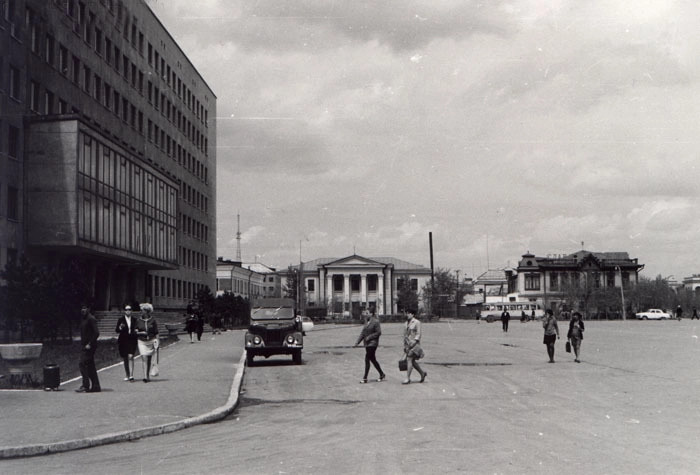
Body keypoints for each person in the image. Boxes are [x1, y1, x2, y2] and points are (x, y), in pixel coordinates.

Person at [353, 309, 386, 383]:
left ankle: (365, 378)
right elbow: (363, 333)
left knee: (367, 358)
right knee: (373, 359)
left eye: (367, 313)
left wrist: (369, 337)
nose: (365, 314)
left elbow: (378, 332)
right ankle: (381, 374)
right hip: (367, 344)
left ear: (371, 314)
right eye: (365, 313)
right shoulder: (366, 321)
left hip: (373, 343)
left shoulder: (376, 322)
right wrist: (357, 342)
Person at [76, 304, 101, 393]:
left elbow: (96, 333)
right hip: (84, 345)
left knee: (82, 363)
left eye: (85, 308)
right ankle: (96, 386)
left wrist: (90, 343)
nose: (83, 310)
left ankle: (85, 385)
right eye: (82, 308)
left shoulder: (91, 319)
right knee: (90, 365)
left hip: (89, 346)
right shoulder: (83, 319)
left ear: (89, 309)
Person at [136, 303, 159, 383]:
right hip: (142, 341)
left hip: (151, 340)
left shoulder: (153, 320)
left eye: (142, 310)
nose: (140, 312)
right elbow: (135, 331)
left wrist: (157, 341)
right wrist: (141, 333)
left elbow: (156, 332)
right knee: (144, 357)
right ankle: (145, 376)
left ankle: (147, 375)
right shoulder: (138, 320)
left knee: (149, 359)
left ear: (147, 311)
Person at [402, 309, 427, 384]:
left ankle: (407, 378)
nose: (407, 314)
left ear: (413, 314)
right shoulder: (406, 323)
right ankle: (422, 373)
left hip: (415, 344)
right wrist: (405, 346)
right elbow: (405, 336)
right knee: (412, 361)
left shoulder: (417, 322)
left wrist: (414, 342)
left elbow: (418, 334)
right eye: (407, 313)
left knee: (409, 359)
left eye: (409, 313)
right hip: (408, 345)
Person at [115, 304, 138, 381]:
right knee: (125, 358)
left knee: (131, 356)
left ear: (131, 311)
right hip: (123, 340)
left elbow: (137, 328)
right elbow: (117, 330)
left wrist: (136, 331)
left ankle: (131, 375)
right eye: (126, 310)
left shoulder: (134, 320)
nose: (128, 311)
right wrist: (120, 327)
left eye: (129, 309)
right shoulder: (121, 320)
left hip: (132, 340)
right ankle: (127, 374)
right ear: (124, 311)